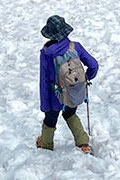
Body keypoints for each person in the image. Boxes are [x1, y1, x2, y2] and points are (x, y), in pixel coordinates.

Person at [37, 15, 99, 153]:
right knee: (70, 114)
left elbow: (44, 81)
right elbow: (93, 65)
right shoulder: (75, 47)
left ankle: (45, 147)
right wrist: (85, 79)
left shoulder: (46, 54)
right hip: (73, 90)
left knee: (50, 120)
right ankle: (83, 143)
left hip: (55, 96)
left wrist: (45, 105)